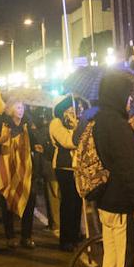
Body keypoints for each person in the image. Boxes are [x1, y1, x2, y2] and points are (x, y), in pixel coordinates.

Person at [92, 72, 134, 267]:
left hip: (106, 200)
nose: (130, 100)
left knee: (110, 262)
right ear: (118, 95)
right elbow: (130, 170)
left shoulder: (101, 121)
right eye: (127, 95)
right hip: (123, 204)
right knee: (126, 264)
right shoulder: (118, 126)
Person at [0, 99, 36, 249]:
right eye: (18, 107)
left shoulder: (27, 124)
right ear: (11, 109)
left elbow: (37, 140)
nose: (21, 110)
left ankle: (26, 236)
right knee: (7, 202)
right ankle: (10, 236)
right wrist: (4, 139)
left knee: (28, 201)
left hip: (26, 170)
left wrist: (33, 131)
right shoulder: (3, 125)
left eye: (22, 107)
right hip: (8, 168)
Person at [49, 97, 82, 252]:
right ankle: (65, 239)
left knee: (77, 203)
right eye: (70, 109)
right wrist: (77, 129)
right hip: (64, 167)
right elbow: (68, 141)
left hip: (77, 167)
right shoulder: (56, 123)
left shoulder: (77, 122)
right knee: (68, 203)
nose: (73, 112)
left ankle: (75, 235)